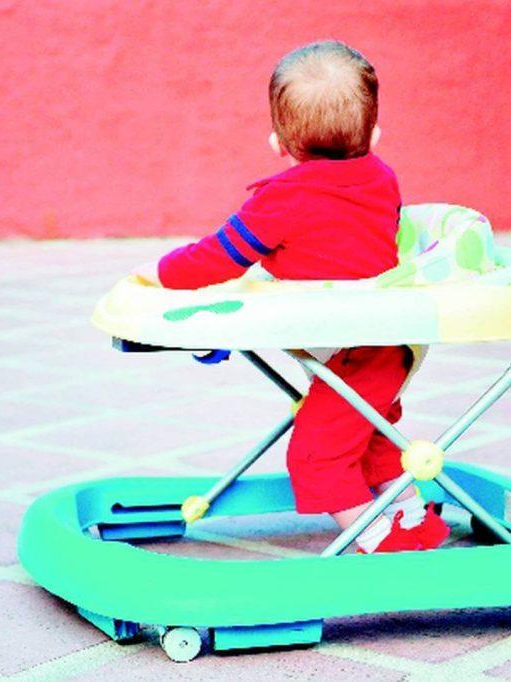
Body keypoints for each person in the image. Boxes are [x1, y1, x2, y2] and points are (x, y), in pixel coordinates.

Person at [134, 40, 448, 553]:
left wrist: (158, 273)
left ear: (278, 142)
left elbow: (217, 257)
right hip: (392, 342)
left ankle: (376, 542)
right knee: (372, 434)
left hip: (345, 351)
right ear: (373, 133)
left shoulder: (280, 201)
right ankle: (414, 520)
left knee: (316, 456)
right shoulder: (382, 179)